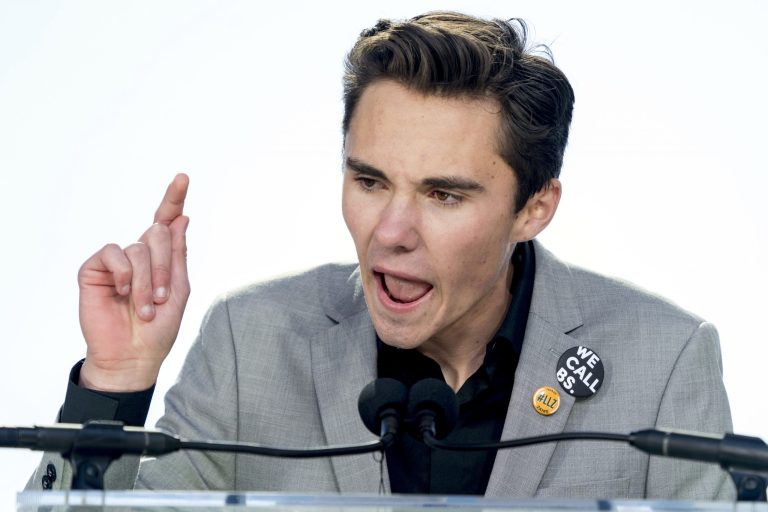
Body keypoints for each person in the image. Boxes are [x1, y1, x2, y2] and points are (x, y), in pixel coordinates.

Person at [30, 11, 733, 499]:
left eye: (444, 195)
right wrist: (114, 384)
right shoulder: (253, 342)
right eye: (368, 181)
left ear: (534, 208)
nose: (390, 231)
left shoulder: (664, 359)